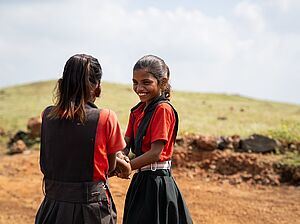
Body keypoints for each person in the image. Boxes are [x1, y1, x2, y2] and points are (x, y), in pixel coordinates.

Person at [35, 54, 130, 224]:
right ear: (98, 87)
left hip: (52, 208)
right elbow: (109, 168)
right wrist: (121, 163)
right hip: (91, 210)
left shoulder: (47, 115)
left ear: (62, 84)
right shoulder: (105, 117)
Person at [119, 55, 193, 224]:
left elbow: (155, 153)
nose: (139, 88)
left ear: (163, 82)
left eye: (146, 82)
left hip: (158, 183)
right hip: (141, 181)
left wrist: (126, 167)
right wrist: (119, 157)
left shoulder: (163, 110)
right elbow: (126, 144)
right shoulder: (137, 111)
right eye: (135, 82)